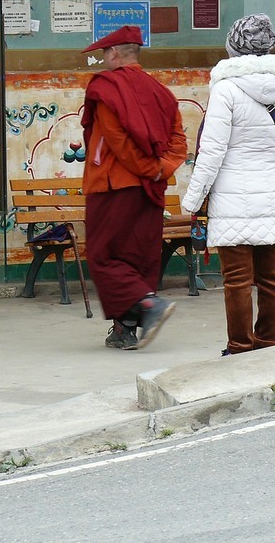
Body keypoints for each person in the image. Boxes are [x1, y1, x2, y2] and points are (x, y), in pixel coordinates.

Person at [181, 14, 275, 356]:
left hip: (233, 200)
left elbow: (212, 151)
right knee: (271, 279)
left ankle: (239, 347)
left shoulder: (226, 89)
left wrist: (193, 199)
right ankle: (266, 343)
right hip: (273, 194)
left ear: (233, 48)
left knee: (237, 281)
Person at [79, 25, 188, 350]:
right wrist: (160, 170)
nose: (102, 60)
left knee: (104, 256)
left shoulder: (106, 87)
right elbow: (178, 141)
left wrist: (147, 170)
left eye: (104, 54)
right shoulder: (161, 92)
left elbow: (117, 141)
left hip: (114, 185)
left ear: (114, 53)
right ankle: (124, 329)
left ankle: (148, 304)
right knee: (136, 255)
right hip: (149, 188)